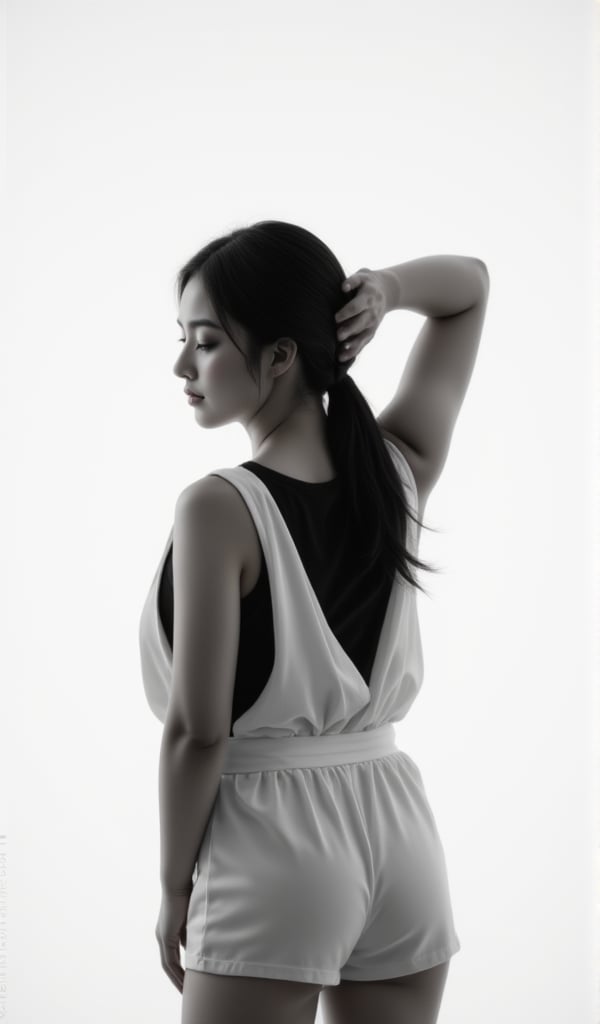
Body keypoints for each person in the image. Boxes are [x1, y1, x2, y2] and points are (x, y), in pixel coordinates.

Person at [138, 220, 490, 1024]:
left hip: (273, 846)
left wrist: (172, 887)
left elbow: (198, 731)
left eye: (205, 343)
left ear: (281, 356)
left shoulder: (220, 508)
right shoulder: (399, 469)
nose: (182, 366)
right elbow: (469, 289)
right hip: (401, 836)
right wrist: (391, 291)